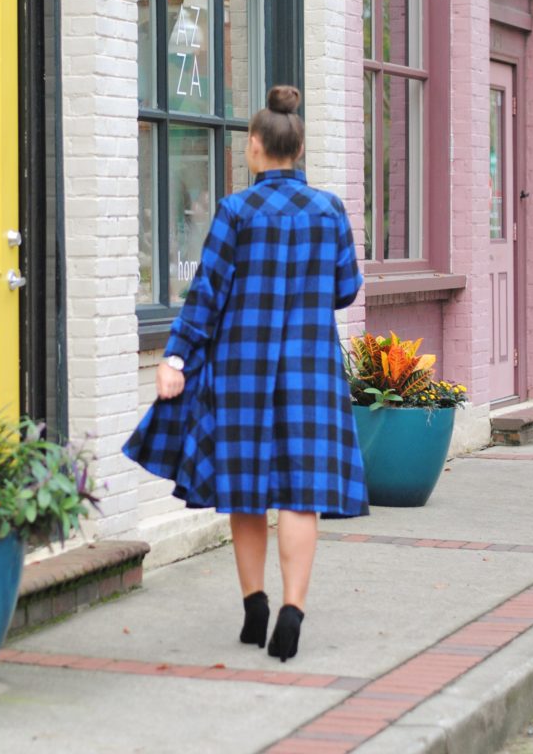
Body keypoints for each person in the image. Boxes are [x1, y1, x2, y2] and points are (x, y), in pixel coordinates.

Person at [123, 85, 368, 662]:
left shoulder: (236, 211)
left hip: (242, 370)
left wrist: (176, 357)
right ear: (299, 148)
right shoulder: (329, 209)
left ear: (254, 147)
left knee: (248, 490)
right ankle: (292, 611)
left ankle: (254, 603)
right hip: (309, 369)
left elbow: (206, 295)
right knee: (301, 494)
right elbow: (345, 289)